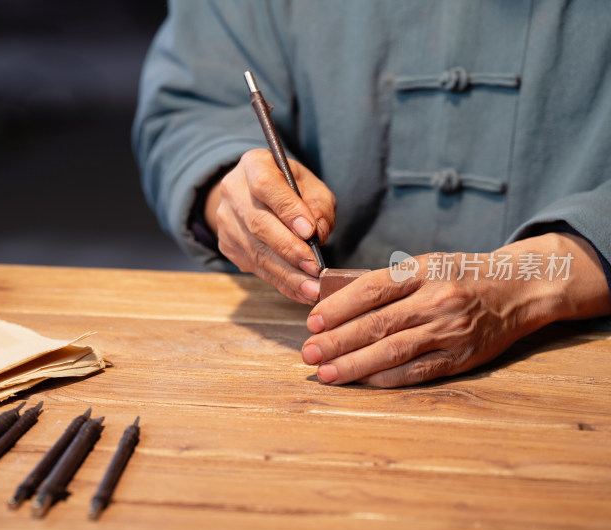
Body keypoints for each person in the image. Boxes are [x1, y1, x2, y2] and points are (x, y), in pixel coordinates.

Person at [132, 1, 611, 387]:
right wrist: (235, 196)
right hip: (307, 336)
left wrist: (531, 284)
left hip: (574, 364)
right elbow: (191, 108)